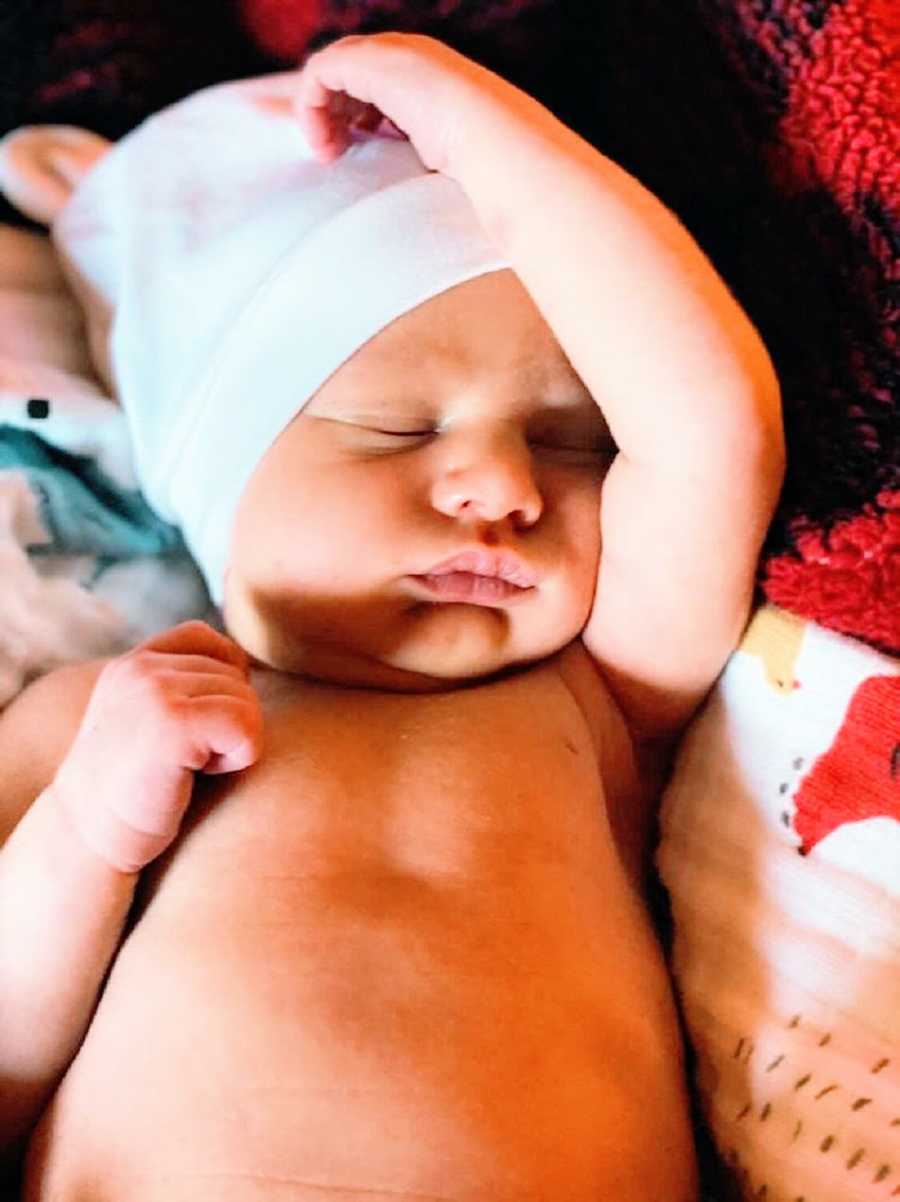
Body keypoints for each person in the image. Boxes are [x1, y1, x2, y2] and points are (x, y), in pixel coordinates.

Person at [0, 32, 784, 1202]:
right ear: (219, 474)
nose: (506, 488)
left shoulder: (602, 698)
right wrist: (86, 835)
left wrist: (466, 121)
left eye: (575, 443)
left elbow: (709, 420)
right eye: (398, 427)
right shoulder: (99, 717)